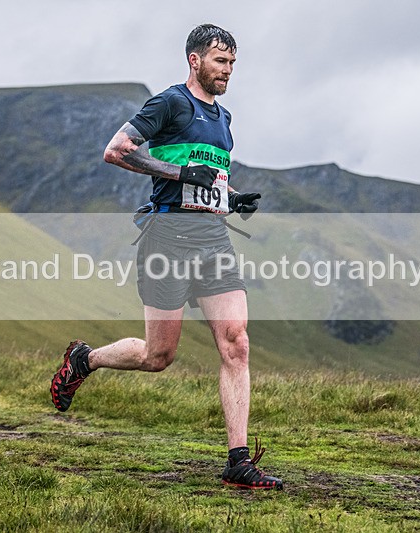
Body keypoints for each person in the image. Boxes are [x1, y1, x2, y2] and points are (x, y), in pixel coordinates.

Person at [50, 23, 282, 490]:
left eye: (233, 63)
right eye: (220, 61)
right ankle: (85, 360)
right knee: (159, 356)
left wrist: (233, 198)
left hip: (213, 239)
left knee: (236, 342)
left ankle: (238, 461)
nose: (228, 71)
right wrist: (180, 173)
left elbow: (208, 179)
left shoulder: (224, 119)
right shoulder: (171, 102)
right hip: (167, 237)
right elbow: (117, 151)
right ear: (195, 60)